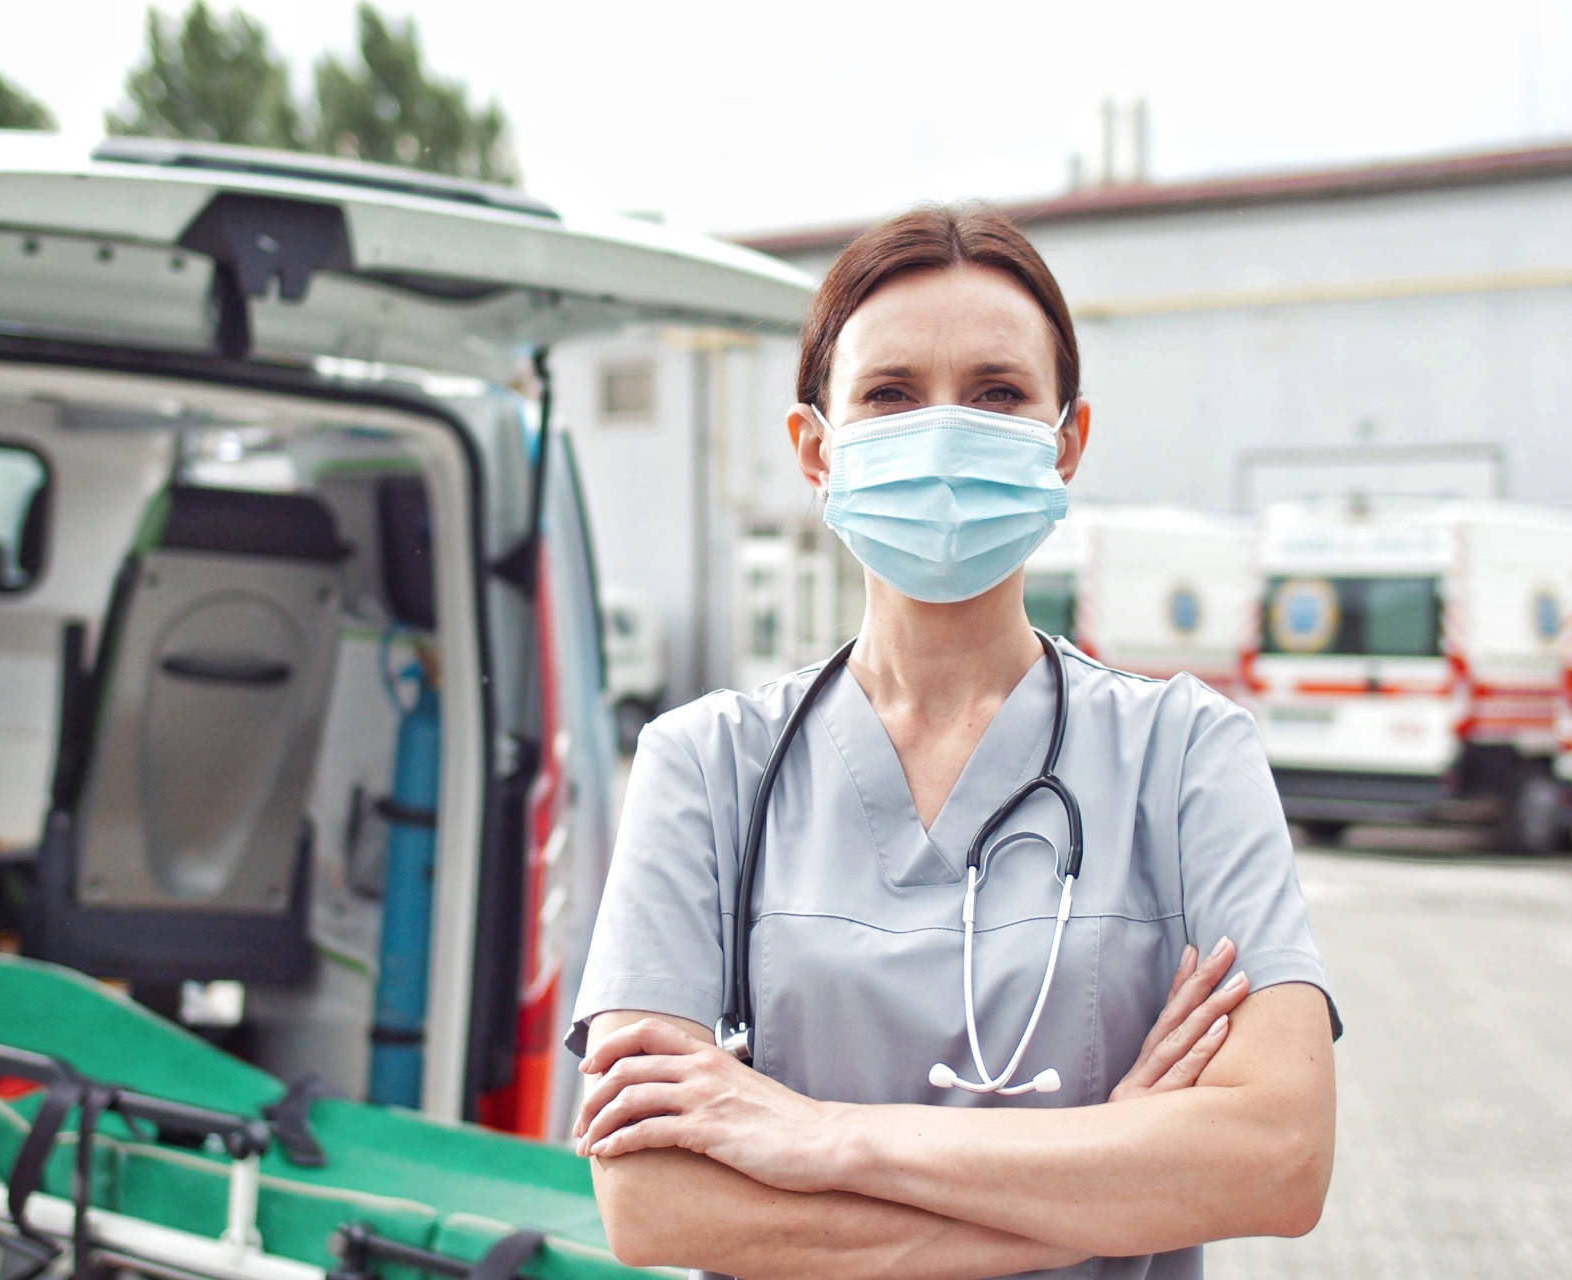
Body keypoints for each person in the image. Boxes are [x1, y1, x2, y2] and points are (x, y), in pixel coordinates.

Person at [565, 205, 1340, 1280]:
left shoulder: (1186, 754)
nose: (942, 434)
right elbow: (653, 1201)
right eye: (890, 394)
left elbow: (1279, 1158)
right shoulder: (704, 766)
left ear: (1065, 442)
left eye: (997, 392)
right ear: (816, 450)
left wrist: (825, 1135)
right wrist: (1113, 1176)